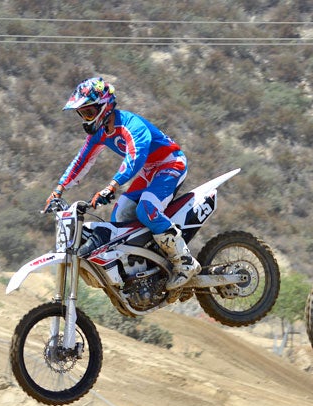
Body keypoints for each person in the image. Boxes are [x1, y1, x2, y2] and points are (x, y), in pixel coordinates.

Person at [44, 77, 200, 290]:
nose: (86, 119)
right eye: (82, 114)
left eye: (89, 112)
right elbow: (81, 160)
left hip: (169, 164)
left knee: (147, 209)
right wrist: (59, 189)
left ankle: (184, 262)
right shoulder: (99, 132)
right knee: (120, 215)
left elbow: (135, 157)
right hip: (149, 170)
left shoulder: (130, 125)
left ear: (104, 107)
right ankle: (144, 270)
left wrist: (112, 185)